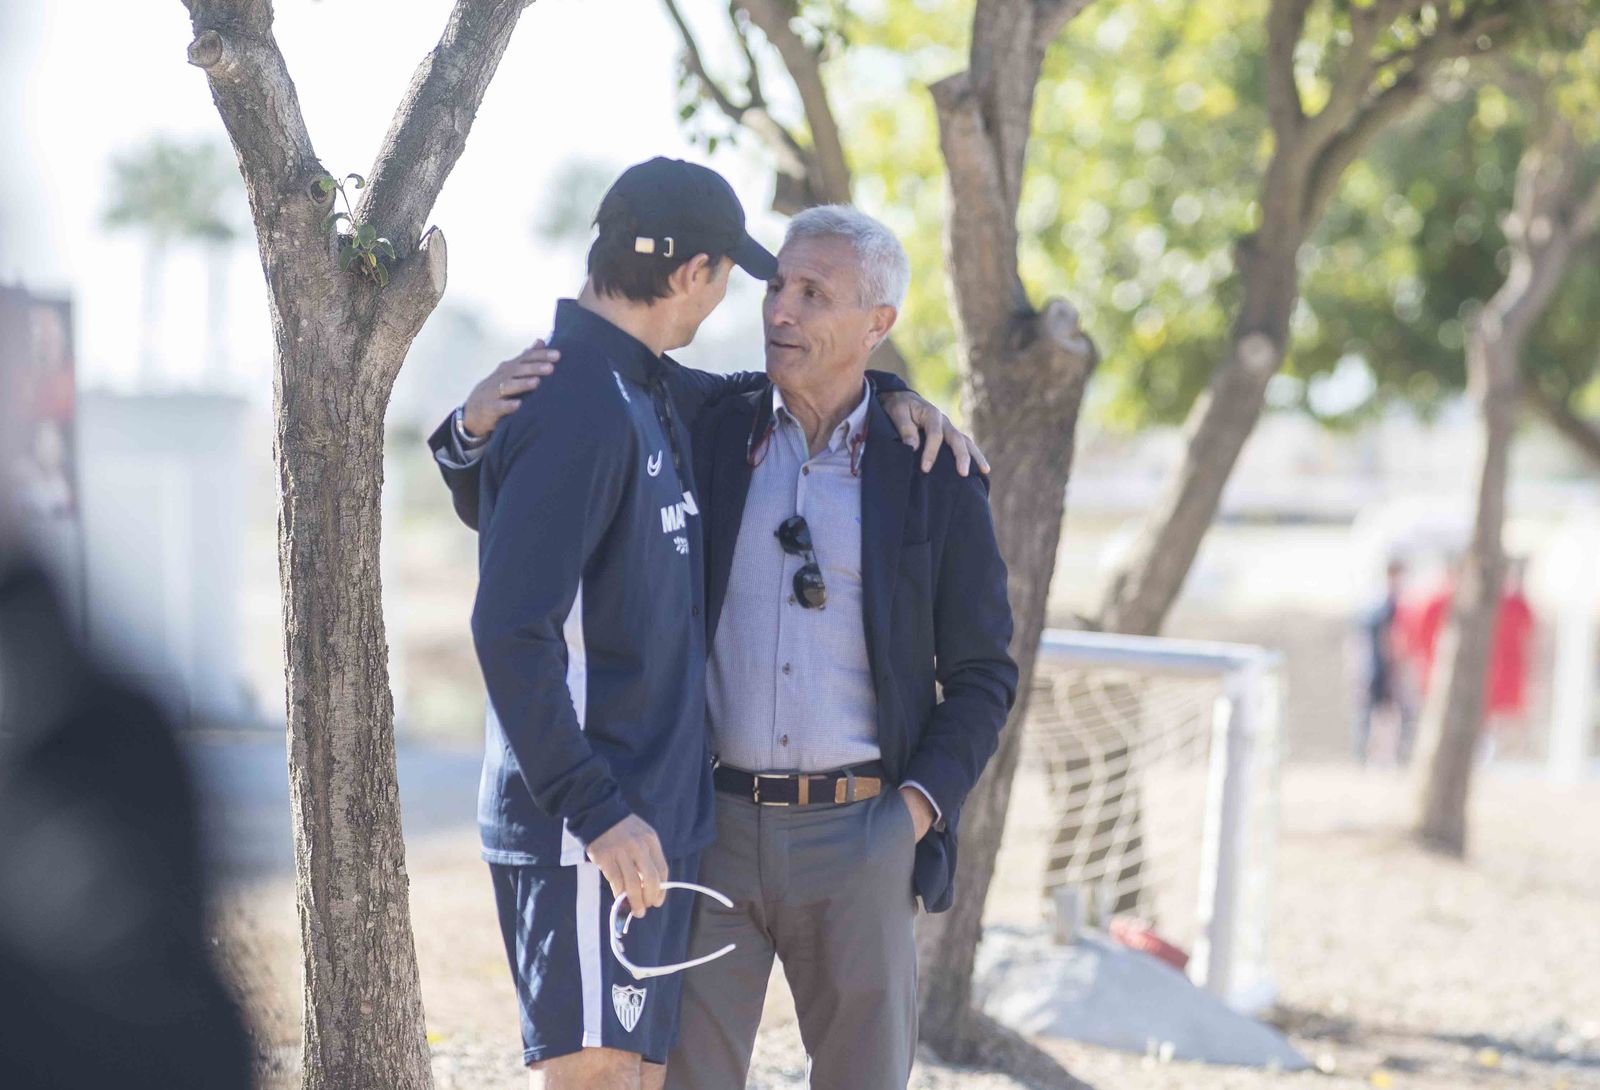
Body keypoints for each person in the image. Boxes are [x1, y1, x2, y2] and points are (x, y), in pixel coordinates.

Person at [434, 158, 973, 1089]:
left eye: (809, 294)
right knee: (604, 1077)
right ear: (694, 273)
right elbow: (511, 619)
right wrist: (597, 811)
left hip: (673, 831)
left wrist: (893, 393)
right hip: (604, 829)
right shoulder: (598, 400)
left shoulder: (652, 395)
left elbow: (982, 669)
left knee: (637, 1079)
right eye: (752, 281)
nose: (768, 309)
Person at [1352, 557, 1412, 765]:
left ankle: (1395, 755)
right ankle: (1365, 756)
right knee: (1372, 712)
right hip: (1378, 667)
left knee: (1396, 713)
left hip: (1387, 667)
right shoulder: (1380, 605)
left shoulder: (1396, 603)